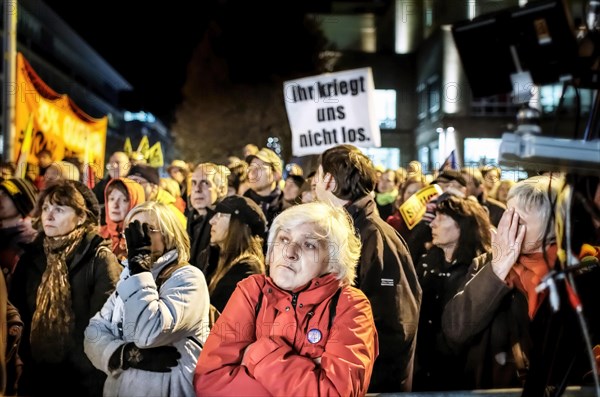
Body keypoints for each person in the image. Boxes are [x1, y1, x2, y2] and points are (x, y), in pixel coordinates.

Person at [194, 202, 378, 396]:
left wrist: (257, 354)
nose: (289, 252)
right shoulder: (252, 291)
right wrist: (308, 372)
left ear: (333, 262)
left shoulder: (350, 305)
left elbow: (335, 394)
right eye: (283, 239)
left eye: (309, 245)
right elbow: (209, 380)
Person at [314, 144, 421, 392]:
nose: (314, 184)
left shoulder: (375, 237)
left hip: (371, 384)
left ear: (329, 181)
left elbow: (395, 324)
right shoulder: (347, 230)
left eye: (318, 176)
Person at [441, 175, 562, 389]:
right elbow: (455, 330)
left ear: (551, 224)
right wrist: (496, 270)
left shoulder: (575, 269)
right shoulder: (486, 263)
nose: (507, 225)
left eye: (519, 220)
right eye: (507, 214)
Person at [84, 201, 211, 397]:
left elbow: (148, 333)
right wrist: (123, 355)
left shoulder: (188, 278)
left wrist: (140, 271)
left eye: (148, 229)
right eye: (133, 230)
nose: (139, 238)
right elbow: (93, 332)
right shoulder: (128, 276)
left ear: (169, 235)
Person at [9, 180, 122, 396]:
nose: (49, 216)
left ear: (81, 217)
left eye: (59, 209)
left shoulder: (99, 258)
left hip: (82, 381)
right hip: (36, 377)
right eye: (45, 208)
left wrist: (84, 368)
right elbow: (18, 312)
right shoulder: (31, 257)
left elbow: (107, 322)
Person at [413, 193, 492, 391]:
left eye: (441, 218)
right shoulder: (426, 263)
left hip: (463, 373)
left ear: (462, 225)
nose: (433, 224)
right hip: (424, 370)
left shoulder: (479, 269)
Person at [207, 195, 266, 311]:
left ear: (237, 224)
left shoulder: (247, 269)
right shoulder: (216, 259)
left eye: (220, 215)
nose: (212, 221)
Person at [99, 177, 146, 263]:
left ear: (135, 203)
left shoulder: (143, 241)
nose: (115, 205)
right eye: (111, 199)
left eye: (124, 200)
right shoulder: (98, 235)